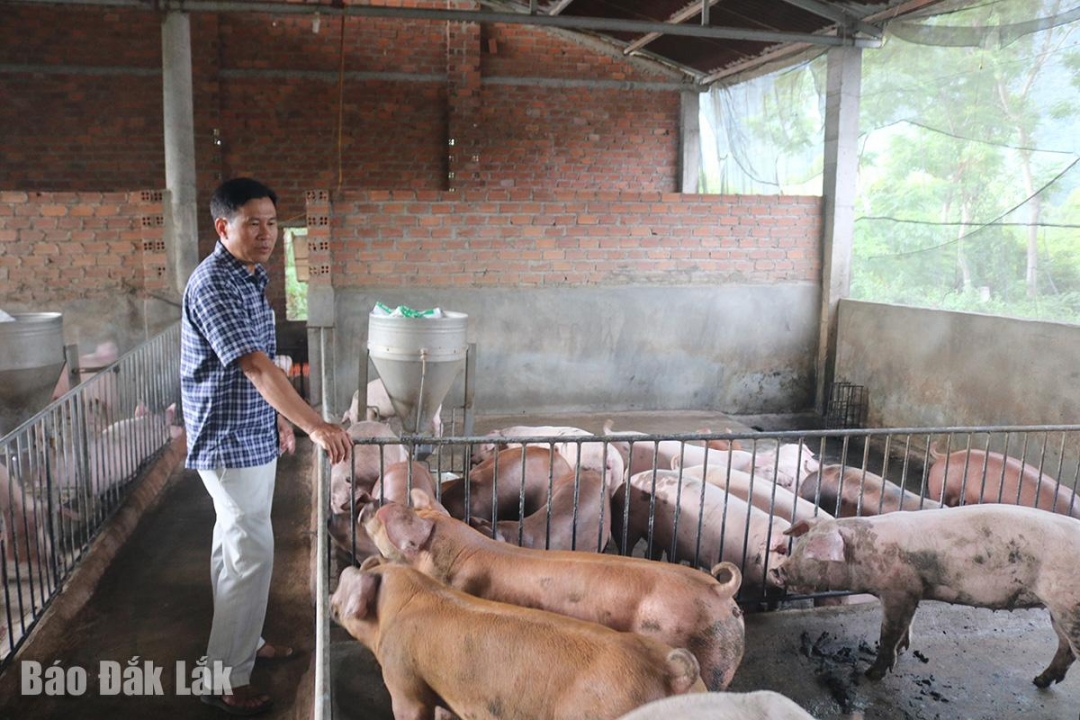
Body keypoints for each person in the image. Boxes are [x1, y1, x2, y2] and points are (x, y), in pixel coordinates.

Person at [181, 177, 350, 715]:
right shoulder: (214, 284)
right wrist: (314, 425)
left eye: (272, 223)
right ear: (222, 227)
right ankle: (223, 677)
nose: (266, 233)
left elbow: (263, 361)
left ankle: (244, 644)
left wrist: (280, 419)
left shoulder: (252, 277)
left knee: (233, 551)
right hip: (226, 440)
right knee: (249, 555)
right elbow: (253, 366)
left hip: (250, 433)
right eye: (252, 223)